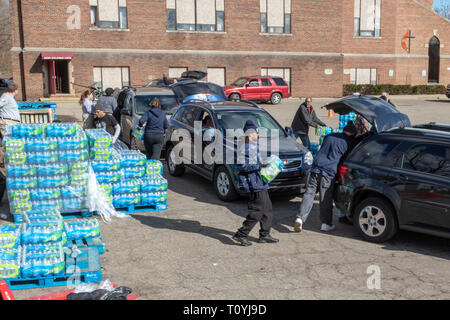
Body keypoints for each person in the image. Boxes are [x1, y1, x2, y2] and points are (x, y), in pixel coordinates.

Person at [294, 122, 357, 233]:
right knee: (325, 198)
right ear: (352, 134)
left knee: (309, 194)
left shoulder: (329, 136)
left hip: (315, 167)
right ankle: (325, 224)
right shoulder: (349, 142)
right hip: (328, 172)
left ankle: (299, 218)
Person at [232, 120, 279, 247]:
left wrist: (265, 163)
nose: (258, 135)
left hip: (259, 181)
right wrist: (259, 165)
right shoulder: (244, 146)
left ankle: (264, 234)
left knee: (267, 208)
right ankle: (241, 234)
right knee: (257, 211)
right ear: (250, 133)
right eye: (256, 132)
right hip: (253, 183)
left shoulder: (251, 145)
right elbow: (242, 166)